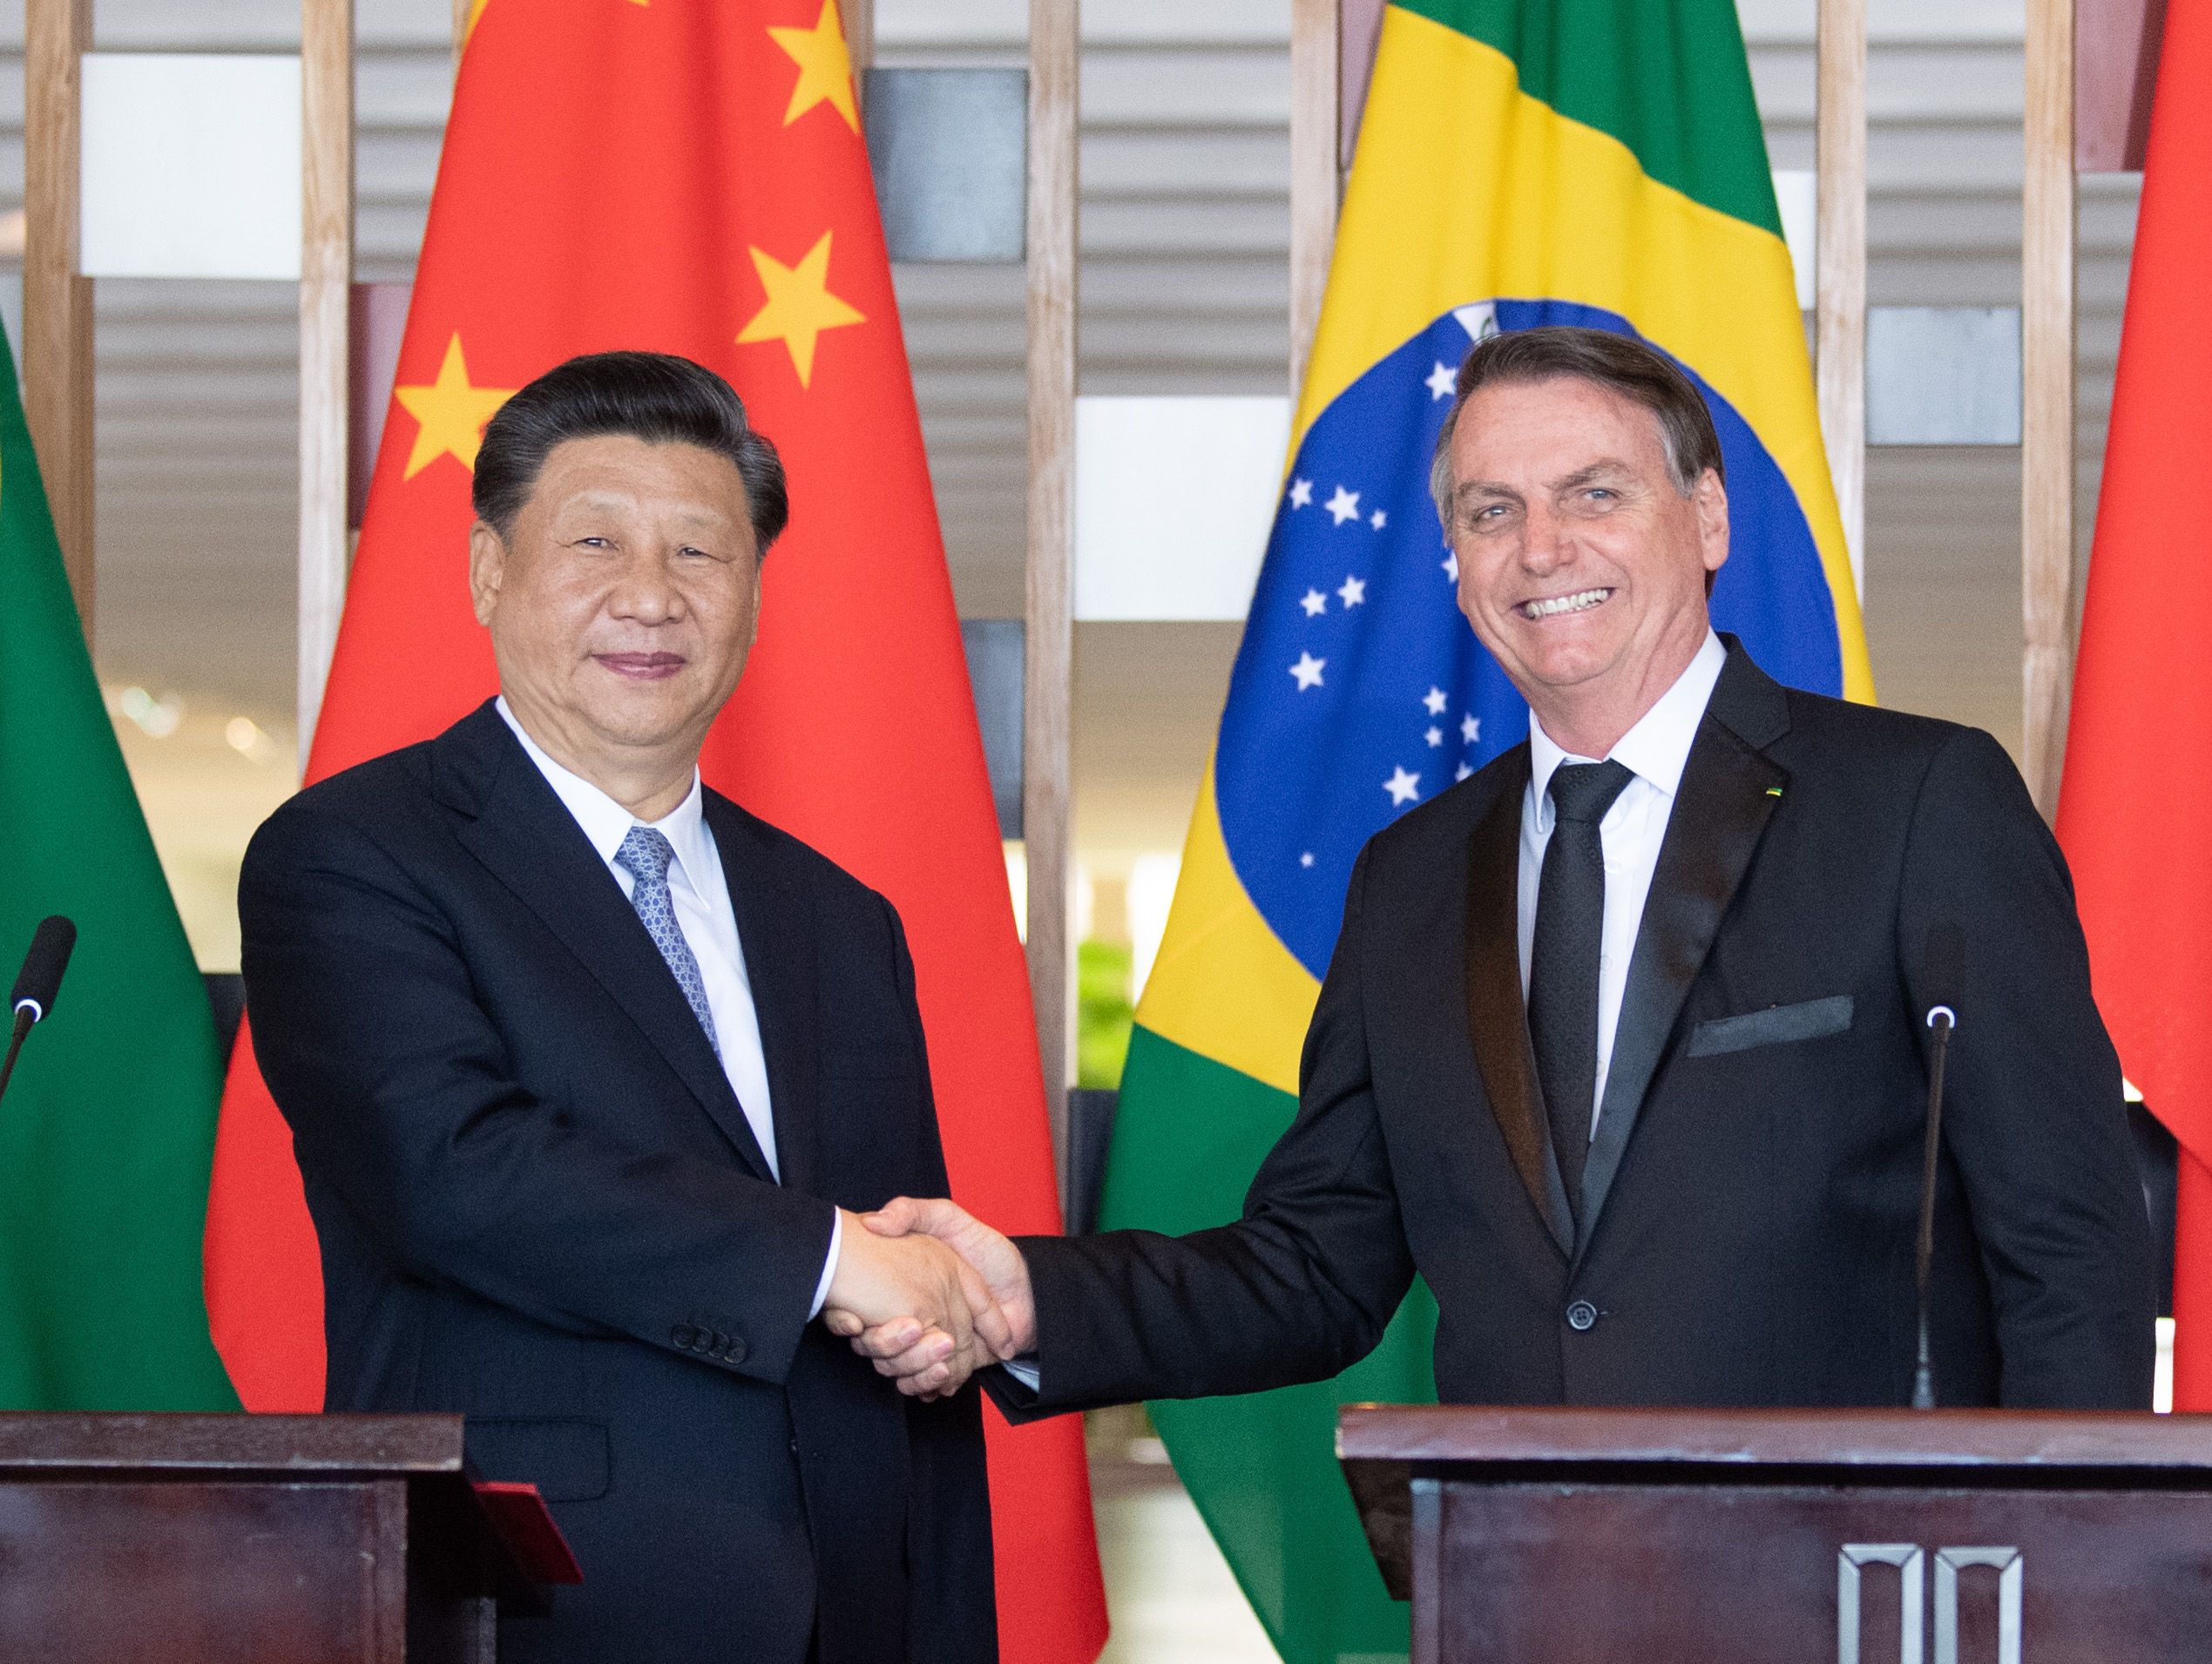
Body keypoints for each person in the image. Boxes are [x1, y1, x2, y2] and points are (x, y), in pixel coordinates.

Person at [841, 325, 2157, 1416]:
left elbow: (2069, 1249)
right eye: (1492, 511)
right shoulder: (1410, 879)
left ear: (1706, 516)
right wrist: (1026, 1294)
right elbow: (1316, 1264)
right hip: (1513, 1579)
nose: (1543, 547)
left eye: (1596, 493)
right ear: (1459, 567)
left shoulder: (1918, 801)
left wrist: (2063, 1582)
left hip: (1859, 1584)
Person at [240, 350, 1005, 1664]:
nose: (651, 595)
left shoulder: (840, 918)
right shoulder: (353, 854)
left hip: (852, 1612)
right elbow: (449, 1171)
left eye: (700, 552)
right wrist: (827, 1260)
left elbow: (911, 1317)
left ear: (753, 593)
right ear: (489, 571)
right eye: (596, 541)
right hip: (535, 1603)